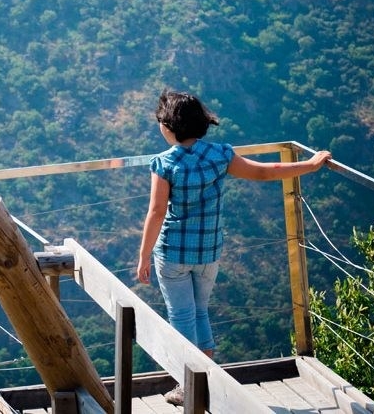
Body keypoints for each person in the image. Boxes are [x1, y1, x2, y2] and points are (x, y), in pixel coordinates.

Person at [135, 89, 331, 405]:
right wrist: (309, 165)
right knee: (200, 311)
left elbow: (156, 212)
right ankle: (206, 373)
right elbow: (266, 172)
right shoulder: (220, 155)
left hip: (173, 253)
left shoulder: (163, 164)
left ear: (169, 127)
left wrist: (144, 255)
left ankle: (188, 386)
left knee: (181, 316)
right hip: (209, 251)